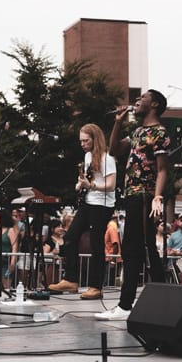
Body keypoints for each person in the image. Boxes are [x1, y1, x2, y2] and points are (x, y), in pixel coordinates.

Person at [96, 90, 169, 321]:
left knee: (136, 247)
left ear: (154, 104)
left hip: (145, 195)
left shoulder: (160, 133)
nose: (137, 100)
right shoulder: (138, 132)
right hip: (131, 194)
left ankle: (127, 304)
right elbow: (114, 150)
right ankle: (158, 300)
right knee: (142, 247)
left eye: (143, 98)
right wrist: (118, 123)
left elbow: (162, 169)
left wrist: (157, 196)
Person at [49, 124, 117, 300]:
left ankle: (96, 287)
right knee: (70, 237)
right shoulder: (88, 157)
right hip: (88, 202)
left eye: (86, 140)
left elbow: (111, 185)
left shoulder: (107, 158)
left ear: (95, 139)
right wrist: (81, 183)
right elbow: (88, 178)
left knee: (96, 244)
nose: (83, 144)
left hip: (102, 205)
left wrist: (91, 185)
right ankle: (71, 280)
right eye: (81, 141)